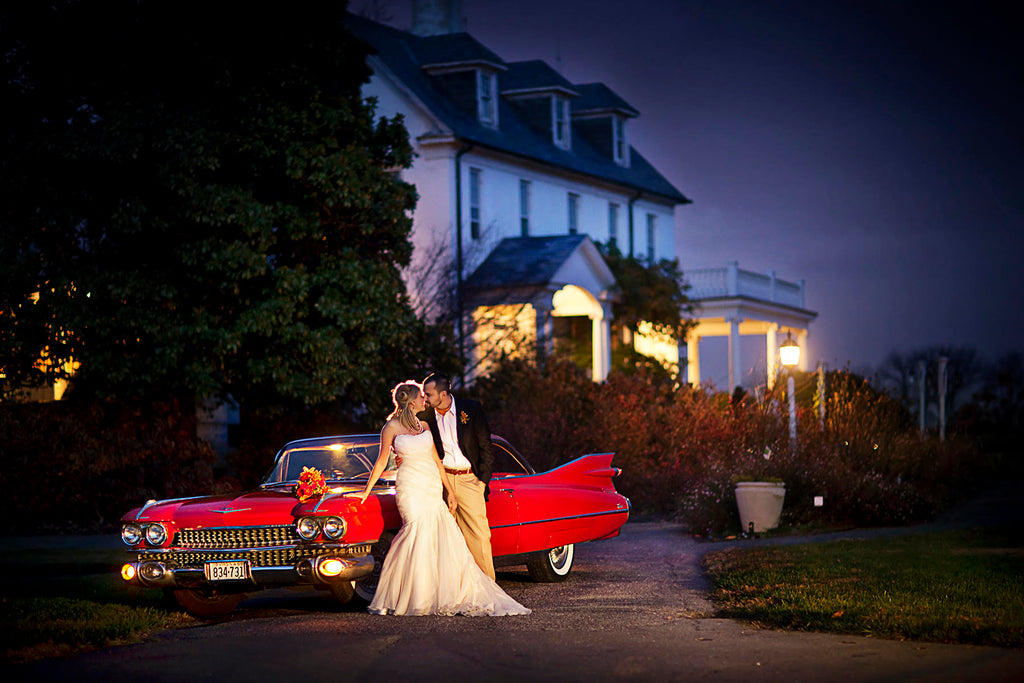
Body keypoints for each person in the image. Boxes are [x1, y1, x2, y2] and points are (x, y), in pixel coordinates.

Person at [355, 381, 529, 617]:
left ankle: (447, 592)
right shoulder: (391, 427)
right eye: (422, 397)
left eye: (427, 396)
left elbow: (437, 460)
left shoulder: (425, 423)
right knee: (415, 531)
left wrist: (452, 491)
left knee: (444, 535)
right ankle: (414, 595)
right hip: (410, 486)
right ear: (412, 401)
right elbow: (381, 460)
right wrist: (366, 491)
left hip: (432, 484)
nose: (425, 400)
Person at [418, 372, 496, 580]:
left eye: (429, 394)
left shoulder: (471, 409)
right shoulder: (424, 417)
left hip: (469, 479)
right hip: (441, 483)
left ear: (443, 394)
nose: (424, 398)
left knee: (478, 536)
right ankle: (459, 591)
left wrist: (481, 483)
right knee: (447, 539)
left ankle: (489, 590)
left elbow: (486, 447)